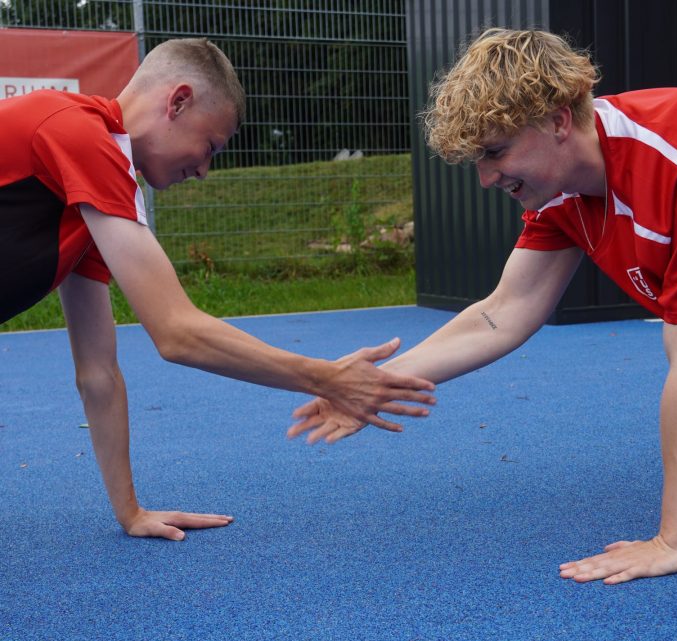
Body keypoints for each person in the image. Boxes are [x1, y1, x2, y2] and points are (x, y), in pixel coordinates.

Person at [288, 27, 677, 585]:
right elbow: (503, 312)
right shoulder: (561, 190)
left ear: (559, 121)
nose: (486, 178)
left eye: (495, 152)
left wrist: (670, 541)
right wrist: (373, 383)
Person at [0, 37, 435, 541]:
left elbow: (98, 374)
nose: (205, 171)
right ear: (178, 101)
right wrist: (326, 378)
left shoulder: (92, 201)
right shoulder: (74, 130)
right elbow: (176, 332)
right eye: (210, 147)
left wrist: (131, 512)